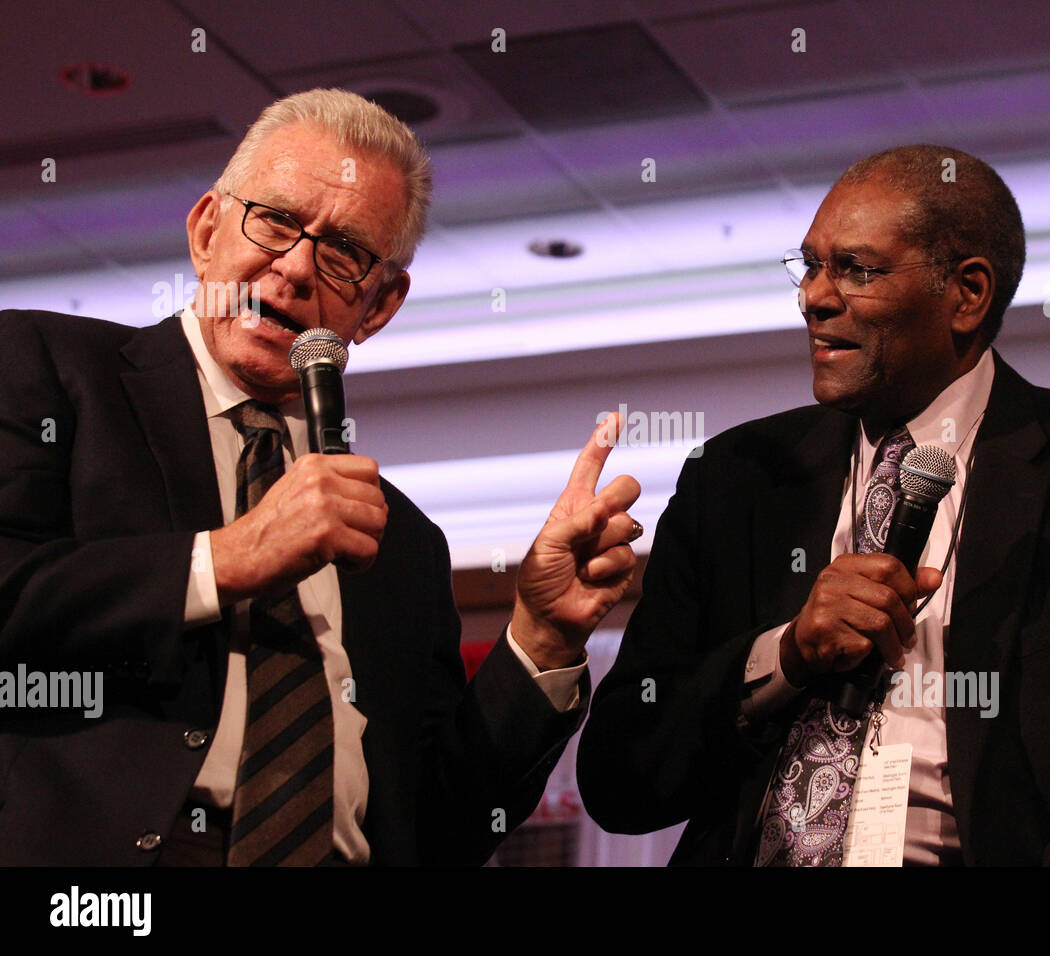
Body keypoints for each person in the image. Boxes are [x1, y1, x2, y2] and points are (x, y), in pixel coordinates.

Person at [0, 88, 640, 866]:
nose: (296, 267)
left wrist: (541, 638)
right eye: (273, 219)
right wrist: (227, 558)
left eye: (344, 252)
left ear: (379, 305)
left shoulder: (398, 541)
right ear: (207, 230)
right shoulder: (43, 370)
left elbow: (444, 827)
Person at [577, 144, 1050, 866]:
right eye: (810, 265)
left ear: (967, 294)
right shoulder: (735, 480)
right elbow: (618, 777)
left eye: (856, 269)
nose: (814, 296)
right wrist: (786, 654)